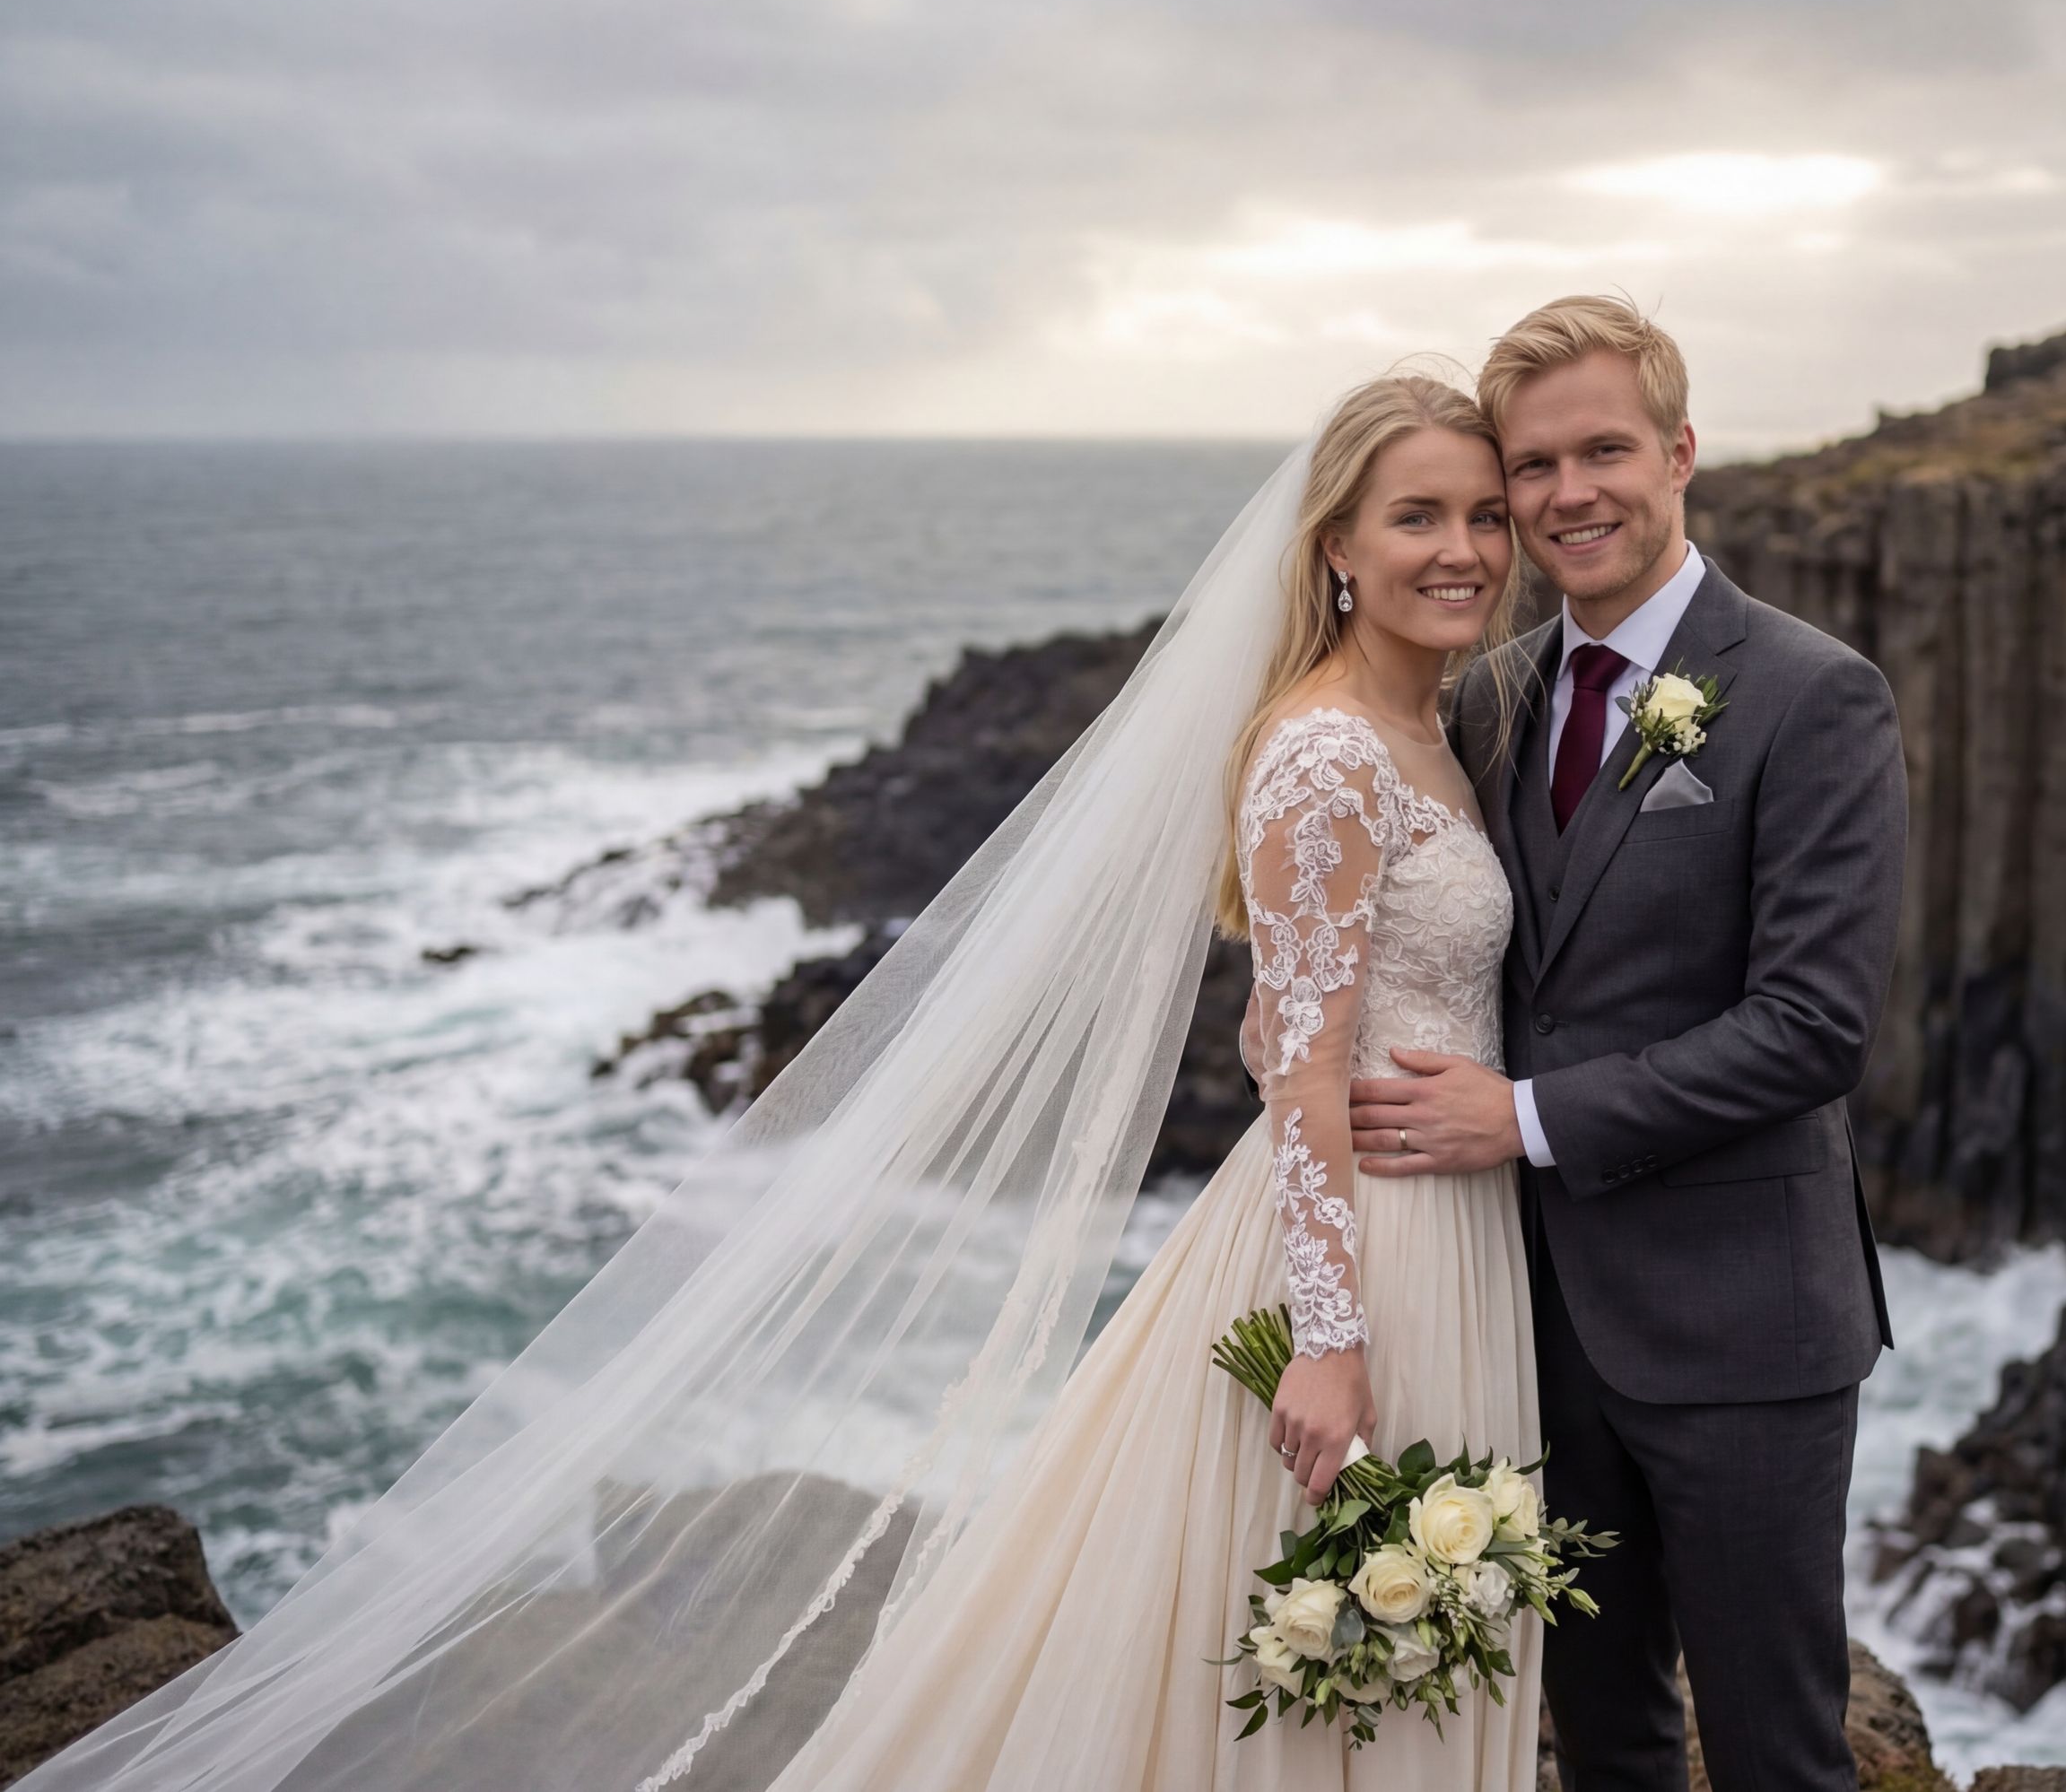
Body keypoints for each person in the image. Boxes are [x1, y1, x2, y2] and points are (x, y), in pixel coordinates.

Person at [12, 374, 1547, 1792]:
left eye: (1484, 513)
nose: (1465, 547)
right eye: (1418, 514)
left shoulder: (1433, 724)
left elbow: (1295, 1013)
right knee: (1313, 1680)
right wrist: (1333, 1342)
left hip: (1448, 1226)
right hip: (1362, 1255)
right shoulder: (1329, 752)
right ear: (1336, 542)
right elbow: (1296, 1059)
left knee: (1385, 1667)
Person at [1348, 295, 1910, 1791]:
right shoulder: (1493, 692)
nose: (1567, 493)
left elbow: (1812, 1029)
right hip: (1536, 1324)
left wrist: (1521, 1118)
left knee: (1780, 1750)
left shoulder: (1813, 694)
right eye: (1533, 467)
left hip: (1743, 1332)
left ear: (1680, 453)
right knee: (1603, 1737)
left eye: (1604, 449)